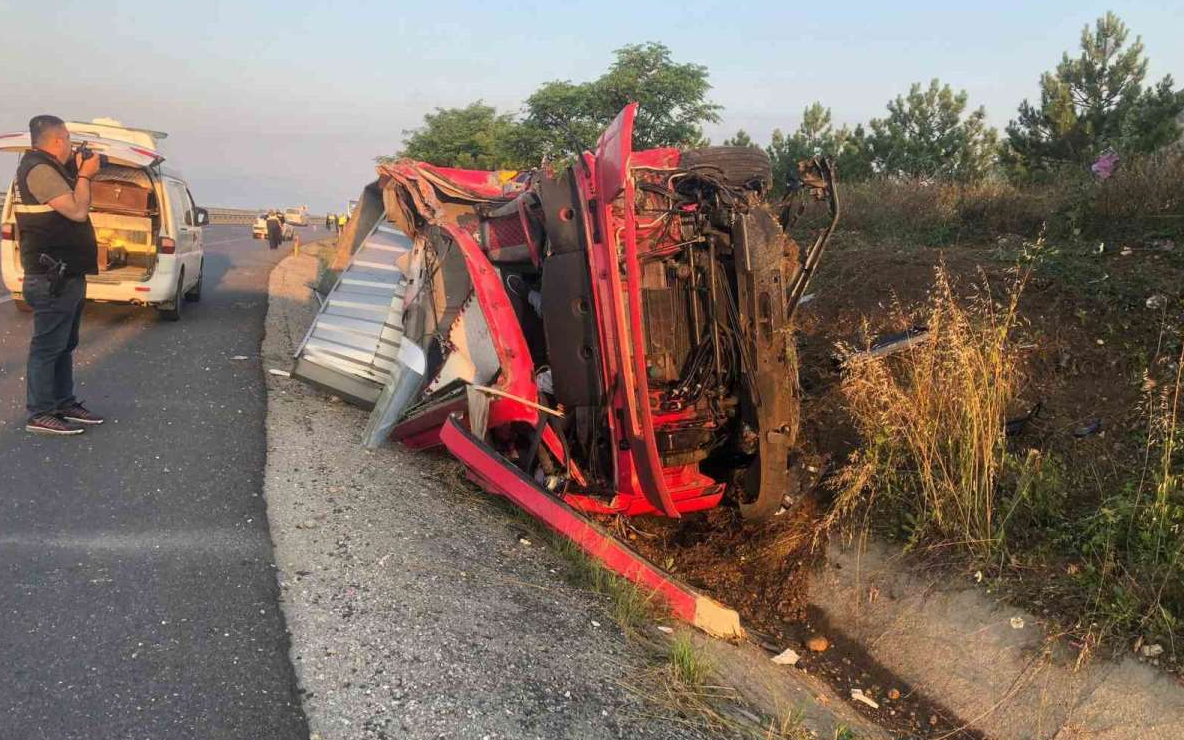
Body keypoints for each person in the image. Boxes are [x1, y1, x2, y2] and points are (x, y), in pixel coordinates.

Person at [16, 115, 105, 435]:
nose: (71, 145)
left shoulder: (54, 170)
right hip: (51, 277)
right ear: (56, 141)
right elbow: (78, 211)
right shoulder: (39, 170)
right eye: (68, 139)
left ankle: (63, 403)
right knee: (47, 347)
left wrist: (79, 172)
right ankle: (40, 413)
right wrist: (84, 174)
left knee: (65, 344)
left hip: (68, 275)